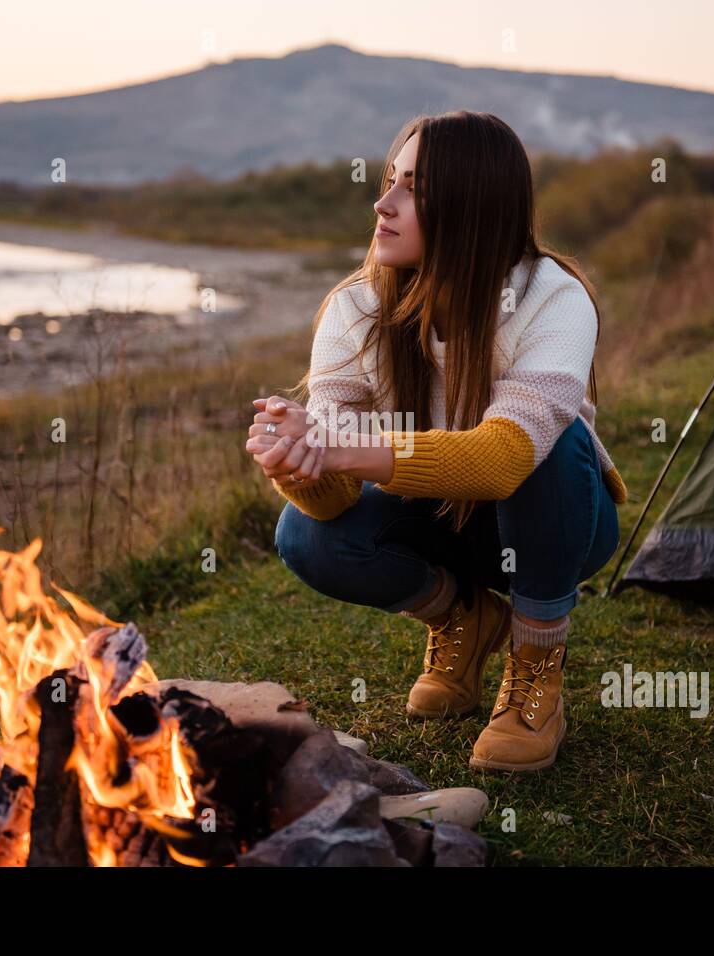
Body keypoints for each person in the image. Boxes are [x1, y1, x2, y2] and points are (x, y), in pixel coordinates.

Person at [243, 110, 625, 772]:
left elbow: (505, 460)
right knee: (302, 535)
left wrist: (337, 442)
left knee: (552, 445)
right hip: (436, 514)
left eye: (411, 188)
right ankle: (463, 617)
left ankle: (536, 671)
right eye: (389, 181)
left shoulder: (552, 299)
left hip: (558, 522)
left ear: (471, 204)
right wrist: (297, 459)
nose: (382, 203)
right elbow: (333, 505)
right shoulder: (355, 308)